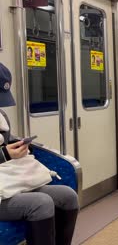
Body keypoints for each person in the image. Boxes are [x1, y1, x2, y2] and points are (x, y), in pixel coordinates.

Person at [0, 63, 79, 245]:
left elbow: (7, 139)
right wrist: (4, 154)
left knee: (67, 196)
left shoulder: (1, 116)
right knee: (40, 203)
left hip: (8, 182)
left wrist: (20, 145)